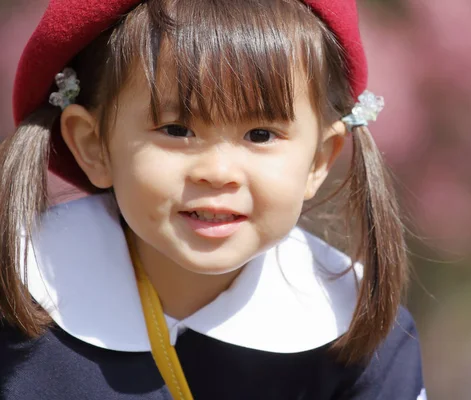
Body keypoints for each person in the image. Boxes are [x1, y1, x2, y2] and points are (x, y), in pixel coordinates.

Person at [0, 0, 427, 398]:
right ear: (94, 145)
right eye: (176, 130)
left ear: (319, 160)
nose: (218, 172)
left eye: (261, 135)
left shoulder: (353, 331)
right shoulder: (16, 293)